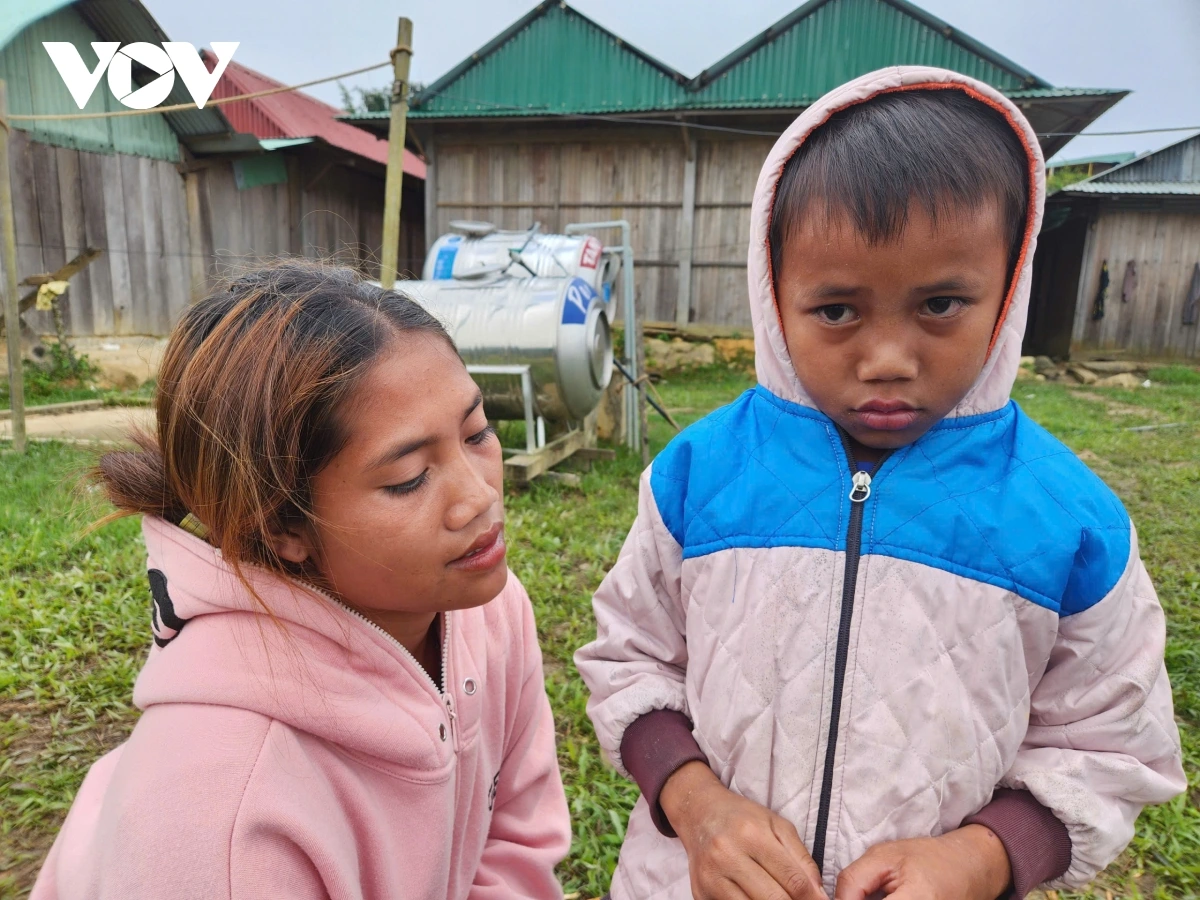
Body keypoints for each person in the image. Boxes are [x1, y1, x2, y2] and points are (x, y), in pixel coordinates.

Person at [575, 67, 1185, 900]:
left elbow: (1112, 745)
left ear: (1007, 292)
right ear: (773, 293)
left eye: (940, 304)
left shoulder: (1071, 522)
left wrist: (979, 859)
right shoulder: (699, 475)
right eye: (836, 310)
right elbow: (628, 659)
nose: (888, 358)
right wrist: (696, 806)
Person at [31, 261, 571, 899]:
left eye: (477, 433)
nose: (480, 497)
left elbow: (517, 836)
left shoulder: (490, 611)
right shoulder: (226, 820)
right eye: (408, 478)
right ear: (282, 524)